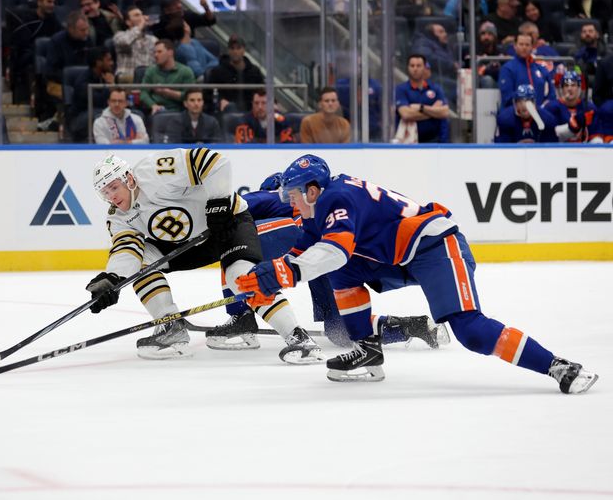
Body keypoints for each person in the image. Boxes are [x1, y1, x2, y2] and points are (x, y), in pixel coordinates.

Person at [234, 154, 598, 394]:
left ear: (312, 190)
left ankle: (556, 365)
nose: (289, 201)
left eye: (293, 194)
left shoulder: (335, 197)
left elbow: (335, 251)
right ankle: (367, 351)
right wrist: (266, 278)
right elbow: (304, 252)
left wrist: (283, 273)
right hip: (399, 256)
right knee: (340, 274)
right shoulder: (319, 208)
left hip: (435, 246)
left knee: (470, 330)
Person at [85, 151, 325, 364]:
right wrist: (113, 279)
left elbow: (215, 161)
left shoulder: (154, 171)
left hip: (227, 225)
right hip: (188, 245)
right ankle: (170, 326)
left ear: (128, 177)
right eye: (105, 192)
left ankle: (297, 337)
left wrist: (219, 203)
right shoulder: (117, 217)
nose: (112, 196)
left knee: (240, 278)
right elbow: (127, 249)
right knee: (141, 265)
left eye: (114, 187)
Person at [212, 172, 449, 352]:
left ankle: (240, 316)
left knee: (234, 246)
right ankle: (412, 326)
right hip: (327, 259)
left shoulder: (272, 195)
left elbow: (235, 206)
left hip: (310, 248)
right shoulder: (324, 203)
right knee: (340, 332)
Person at [7, 0, 61, 105]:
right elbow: (22, 45)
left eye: (53, 2)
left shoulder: (54, 21)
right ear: (40, 2)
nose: (52, 5)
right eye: (49, 2)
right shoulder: (26, 20)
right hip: (27, 57)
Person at [395, 54, 450, 143]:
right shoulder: (401, 89)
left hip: (434, 142)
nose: (415, 69)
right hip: (409, 143)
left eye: (418, 66)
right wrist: (433, 111)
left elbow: (445, 112)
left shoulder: (435, 89)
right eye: (412, 66)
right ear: (408, 68)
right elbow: (406, 114)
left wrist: (421, 108)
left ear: (424, 68)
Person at [204, 34, 264, 113]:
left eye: (238, 48)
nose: (235, 52)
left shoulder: (254, 71)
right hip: (225, 113)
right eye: (232, 48)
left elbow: (263, 92)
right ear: (228, 50)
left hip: (251, 114)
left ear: (244, 50)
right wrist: (220, 101)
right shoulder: (218, 72)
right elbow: (207, 95)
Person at [139, 38, 196, 115]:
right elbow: (143, 93)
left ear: (170, 52)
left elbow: (190, 96)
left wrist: (166, 92)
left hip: (179, 112)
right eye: (155, 52)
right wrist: (153, 105)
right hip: (156, 111)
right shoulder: (151, 71)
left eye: (159, 52)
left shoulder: (185, 71)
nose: (156, 55)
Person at [498, 32, 555, 107]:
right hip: (515, 113)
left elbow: (551, 95)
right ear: (515, 46)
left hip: (539, 113)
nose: (524, 47)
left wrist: (544, 107)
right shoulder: (507, 69)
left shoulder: (541, 69)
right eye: (521, 44)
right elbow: (507, 97)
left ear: (532, 47)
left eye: (527, 45)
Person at [543, 71, 596, 143]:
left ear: (579, 88)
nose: (569, 89)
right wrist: (574, 124)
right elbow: (551, 134)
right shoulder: (551, 108)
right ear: (562, 88)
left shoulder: (589, 108)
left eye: (573, 85)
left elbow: (595, 136)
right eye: (566, 85)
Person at [112, 5, 157, 83]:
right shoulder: (119, 35)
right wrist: (140, 26)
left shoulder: (153, 40)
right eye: (137, 15)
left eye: (142, 14)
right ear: (128, 22)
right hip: (127, 79)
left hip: (148, 81)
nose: (142, 18)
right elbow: (125, 42)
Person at [152, 0, 216, 42]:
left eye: (179, 2)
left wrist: (206, 7)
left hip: (191, 46)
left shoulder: (188, 16)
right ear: (166, 10)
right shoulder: (160, 22)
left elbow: (210, 21)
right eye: (174, 4)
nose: (179, 6)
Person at [467, 21, 502, 88]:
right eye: (483, 34)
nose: (486, 37)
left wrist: (486, 69)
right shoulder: (473, 50)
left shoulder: (500, 51)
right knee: (486, 80)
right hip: (479, 81)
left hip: (497, 81)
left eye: (489, 34)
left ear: (494, 37)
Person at [574, 22, 606, 90]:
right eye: (584, 32)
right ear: (581, 35)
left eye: (590, 31)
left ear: (597, 34)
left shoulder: (606, 53)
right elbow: (575, 71)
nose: (587, 34)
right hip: (580, 88)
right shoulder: (574, 53)